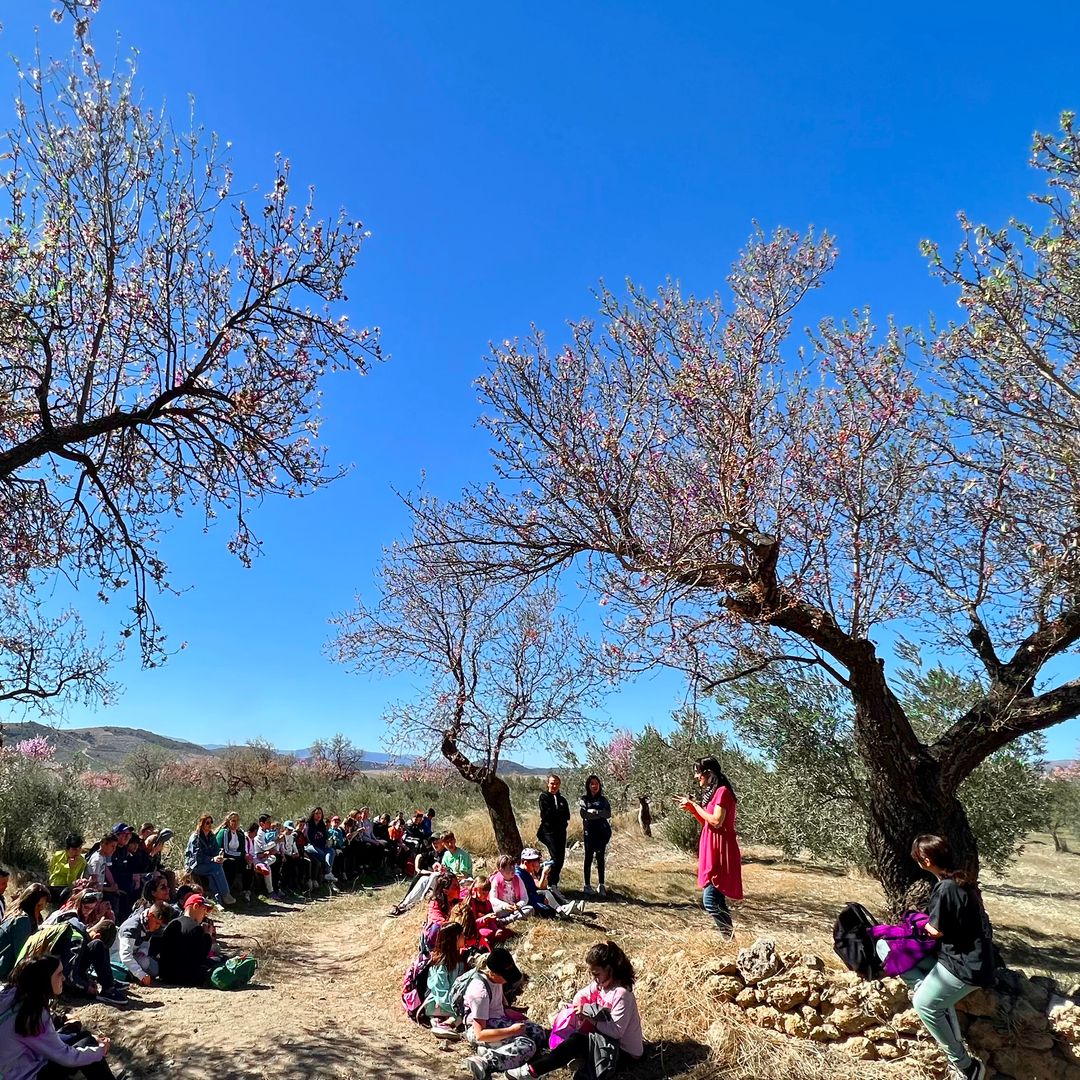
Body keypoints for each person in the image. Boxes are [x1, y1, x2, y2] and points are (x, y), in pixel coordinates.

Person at [890, 834, 995, 1080]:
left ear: (925, 860)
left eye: (917, 858)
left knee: (923, 1004)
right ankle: (935, 999)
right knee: (910, 964)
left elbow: (936, 931)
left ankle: (965, 1066)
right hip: (969, 960)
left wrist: (920, 924)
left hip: (964, 966)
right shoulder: (963, 882)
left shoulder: (945, 888)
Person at [506, 940, 643, 1080]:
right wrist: (580, 1010)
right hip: (606, 1041)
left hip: (625, 1052)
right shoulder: (603, 983)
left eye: (597, 974)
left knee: (577, 1041)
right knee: (577, 1039)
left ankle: (532, 1071)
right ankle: (554, 1063)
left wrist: (589, 1017)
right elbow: (581, 995)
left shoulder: (621, 994)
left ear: (610, 969)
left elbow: (616, 1032)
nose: (594, 979)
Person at [0, 953, 117, 1079]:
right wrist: (99, 1051)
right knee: (89, 1044)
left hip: (17, 1064)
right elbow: (66, 1057)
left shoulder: (14, 995)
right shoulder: (32, 1014)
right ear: (44, 979)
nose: (64, 978)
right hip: (24, 1074)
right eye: (59, 974)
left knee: (85, 1038)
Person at [677, 755, 742, 938]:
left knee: (711, 900)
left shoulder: (722, 792)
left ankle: (729, 938)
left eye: (698, 773)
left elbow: (716, 821)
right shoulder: (716, 793)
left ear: (709, 773)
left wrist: (695, 806)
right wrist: (693, 810)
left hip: (721, 851)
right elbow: (708, 822)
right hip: (713, 847)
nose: (696, 777)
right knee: (717, 899)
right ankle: (729, 940)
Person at [461, 948, 545, 1079]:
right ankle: (485, 1062)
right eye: (505, 977)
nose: (507, 981)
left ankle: (497, 1051)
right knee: (527, 1045)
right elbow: (479, 1034)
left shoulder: (495, 981)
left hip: (497, 1021)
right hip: (479, 1029)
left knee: (538, 1032)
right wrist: (512, 1031)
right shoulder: (480, 992)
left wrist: (512, 1013)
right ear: (493, 973)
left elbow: (500, 1004)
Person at [156, 894, 220, 986]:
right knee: (218, 960)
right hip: (185, 977)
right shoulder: (195, 928)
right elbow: (201, 956)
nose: (205, 914)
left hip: (166, 975)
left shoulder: (172, 923)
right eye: (204, 909)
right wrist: (208, 936)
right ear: (196, 906)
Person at [0, 884, 51, 981]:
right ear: (37, 902)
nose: (45, 906)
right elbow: (21, 955)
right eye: (44, 902)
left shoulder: (17, 913)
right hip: (4, 969)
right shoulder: (22, 920)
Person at [184, 812, 235, 906]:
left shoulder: (211, 836)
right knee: (216, 868)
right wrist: (212, 859)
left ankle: (218, 900)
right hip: (195, 865)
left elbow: (216, 849)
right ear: (201, 824)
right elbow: (197, 857)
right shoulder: (196, 838)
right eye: (207, 822)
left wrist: (219, 855)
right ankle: (225, 894)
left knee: (213, 873)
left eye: (211, 822)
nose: (210, 824)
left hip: (208, 864)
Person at [425, 922, 468, 1026]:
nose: (464, 937)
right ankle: (444, 1024)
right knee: (467, 1014)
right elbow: (441, 995)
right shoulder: (440, 965)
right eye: (462, 935)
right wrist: (459, 1008)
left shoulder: (459, 959)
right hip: (438, 1004)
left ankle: (447, 1022)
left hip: (453, 1002)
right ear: (455, 939)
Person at [116, 903, 169, 985]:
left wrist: (142, 952)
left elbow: (145, 943)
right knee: (144, 965)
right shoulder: (131, 928)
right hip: (118, 958)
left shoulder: (148, 924)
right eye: (157, 923)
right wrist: (141, 974)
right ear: (150, 915)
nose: (157, 927)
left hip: (137, 956)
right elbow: (125, 954)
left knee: (156, 970)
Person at [537, 775, 571, 892]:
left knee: (560, 859)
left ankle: (554, 883)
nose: (554, 786)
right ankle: (549, 881)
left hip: (561, 832)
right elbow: (546, 815)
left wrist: (558, 817)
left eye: (556, 783)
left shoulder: (562, 800)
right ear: (548, 784)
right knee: (555, 857)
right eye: (552, 783)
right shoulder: (544, 797)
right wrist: (556, 816)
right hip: (548, 832)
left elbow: (567, 816)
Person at [580, 775, 612, 897]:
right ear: (588, 786)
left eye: (597, 783)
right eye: (592, 783)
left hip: (601, 833)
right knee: (588, 858)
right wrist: (597, 814)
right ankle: (587, 885)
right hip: (589, 833)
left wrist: (595, 812)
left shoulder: (603, 800)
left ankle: (601, 885)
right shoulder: (584, 799)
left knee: (600, 858)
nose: (594, 786)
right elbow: (584, 814)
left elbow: (607, 814)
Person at [47, 835, 87, 908]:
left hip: (67, 890)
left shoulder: (82, 862)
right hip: (54, 887)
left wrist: (71, 869)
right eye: (74, 849)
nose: (78, 851)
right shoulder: (58, 855)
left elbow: (74, 881)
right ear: (67, 849)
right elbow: (52, 870)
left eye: (80, 848)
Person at [423, 873, 462, 949]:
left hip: (452, 935)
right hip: (436, 939)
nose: (458, 888)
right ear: (445, 891)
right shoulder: (434, 904)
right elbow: (438, 921)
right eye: (455, 886)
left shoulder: (456, 902)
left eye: (458, 884)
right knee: (436, 927)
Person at [490, 856, 532, 923]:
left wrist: (518, 905)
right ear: (501, 870)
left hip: (515, 908)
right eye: (509, 868)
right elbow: (492, 898)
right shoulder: (496, 880)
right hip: (503, 908)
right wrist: (505, 906)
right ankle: (515, 918)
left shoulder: (517, 879)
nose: (512, 870)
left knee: (530, 909)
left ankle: (506, 920)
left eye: (513, 867)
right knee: (497, 911)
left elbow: (524, 897)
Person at [305, 806, 338, 883]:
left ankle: (328, 873)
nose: (318, 815)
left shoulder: (322, 825)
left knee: (331, 851)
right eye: (316, 813)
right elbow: (309, 838)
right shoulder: (309, 825)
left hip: (321, 846)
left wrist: (327, 842)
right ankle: (327, 872)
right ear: (313, 814)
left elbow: (325, 837)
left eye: (320, 813)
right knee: (323, 855)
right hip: (310, 846)